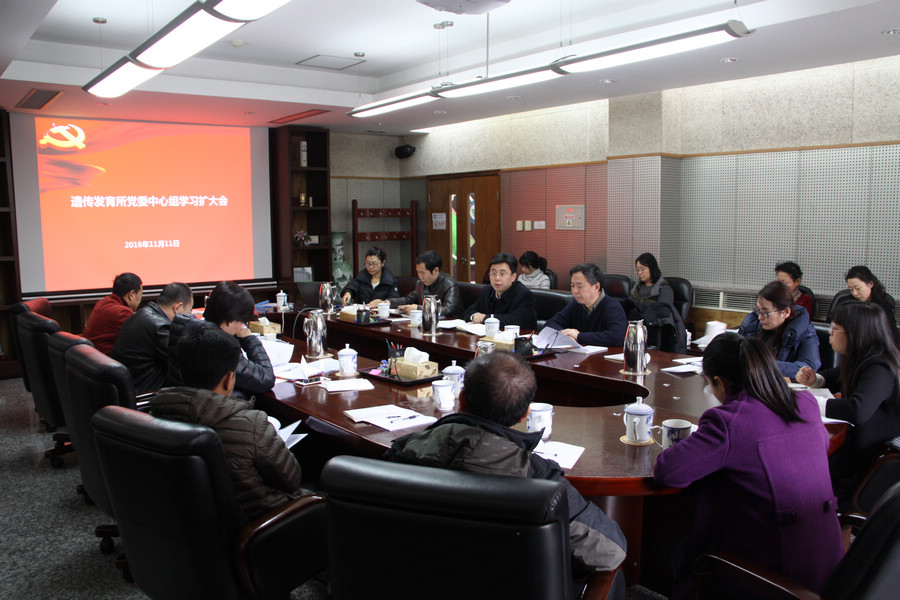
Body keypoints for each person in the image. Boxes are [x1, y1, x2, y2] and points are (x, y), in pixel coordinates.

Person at [387, 351, 627, 574]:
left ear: (461, 399)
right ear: (525, 415)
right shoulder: (538, 477)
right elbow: (611, 550)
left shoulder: (406, 449)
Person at [655, 333, 843, 600]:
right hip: (828, 568)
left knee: (678, 548)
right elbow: (818, 446)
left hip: (775, 578)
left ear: (719, 383)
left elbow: (668, 472)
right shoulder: (806, 404)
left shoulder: (728, 422)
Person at [151, 326, 305, 520]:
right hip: (263, 525)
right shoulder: (251, 424)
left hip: (185, 521)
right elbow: (292, 479)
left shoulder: (157, 412)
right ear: (229, 379)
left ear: (180, 373)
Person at [797, 302, 900, 501]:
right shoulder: (861, 358)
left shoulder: (879, 367)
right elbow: (835, 376)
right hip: (855, 443)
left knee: (804, 465)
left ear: (856, 334)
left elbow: (857, 410)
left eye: (835, 329)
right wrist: (815, 379)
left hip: (869, 456)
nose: (830, 333)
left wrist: (809, 401)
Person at [170, 281, 275, 398]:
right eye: (243, 322)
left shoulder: (185, 327)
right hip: (213, 406)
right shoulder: (219, 344)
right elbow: (266, 379)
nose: (242, 327)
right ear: (231, 321)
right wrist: (249, 339)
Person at [112, 282, 193, 395]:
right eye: (188, 313)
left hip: (127, 389)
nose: (189, 317)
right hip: (145, 396)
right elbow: (186, 362)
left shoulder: (140, 315)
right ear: (177, 308)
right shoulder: (160, 327)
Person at [737, 280, 820, 379]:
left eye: (766, 312)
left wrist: (763, 365)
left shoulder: (805, 331)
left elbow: (809, 367)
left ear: (785, 312)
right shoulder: (752, 325)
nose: (760, 317)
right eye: (758, 311)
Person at [544, 263, 627, 347]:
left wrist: (579, 336)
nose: (575, 291)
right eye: (572, 286)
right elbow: (550, 324)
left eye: (580, 286)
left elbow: (618, 337)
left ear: (596, 287)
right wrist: (565, 335)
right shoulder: (576, 304)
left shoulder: (612, 306)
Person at [464, 252, 536, 329]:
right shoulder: (487, 291)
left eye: (502, 274)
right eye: (493, 273)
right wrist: (475, 316)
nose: (497, 278)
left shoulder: (524, 295)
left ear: (513, 276)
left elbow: (515, 321)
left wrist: (485, 318)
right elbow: (469, 311)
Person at [389, 250, 463, 318]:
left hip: (450, 323)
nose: (420, 276)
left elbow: (448, 309)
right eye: (418, 272)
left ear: (435, 270)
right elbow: (409, 299)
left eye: (422, 273)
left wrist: (418, 308)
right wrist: (389, 302)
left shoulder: (449, 284)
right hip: (428, 321)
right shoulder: (421, 283)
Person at [82, 272, 142, 355]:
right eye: (141, 295)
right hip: (104, 358)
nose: (140, 299)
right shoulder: (122, 313)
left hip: (90, 355)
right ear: (131, 295)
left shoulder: (103, 302)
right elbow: (139, 340)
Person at [845, 265, 898, 341]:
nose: (855, 293)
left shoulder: (884, 305)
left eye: (858, 288)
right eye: (851, 289)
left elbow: (892, 336)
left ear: (870, 284)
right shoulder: (847, 303)